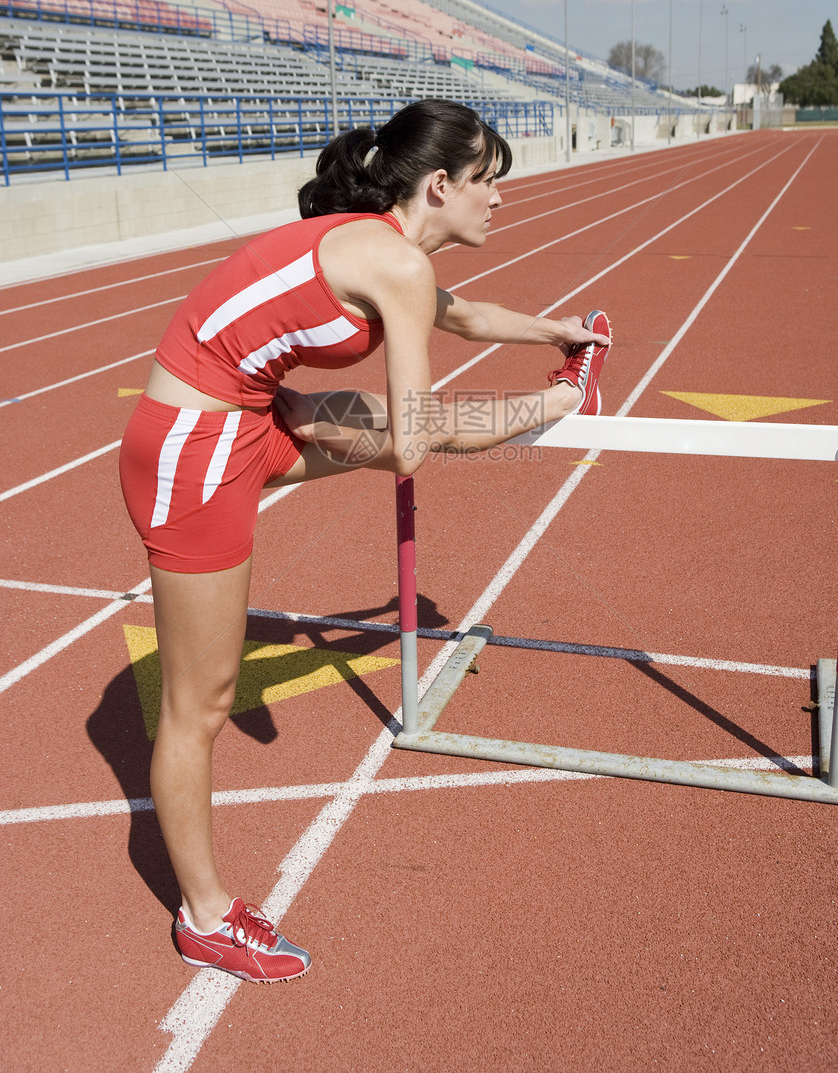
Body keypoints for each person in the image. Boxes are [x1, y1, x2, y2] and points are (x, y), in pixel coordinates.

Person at [119, 98, 611, 984]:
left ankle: (564, 390)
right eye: (488, 183)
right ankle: (204, 919)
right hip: (195, 455)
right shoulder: (394, 263)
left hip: (237, 420)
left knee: (369, 417)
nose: (499, 200)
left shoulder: (386, 242)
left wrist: (556, 331)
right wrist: (523, 407)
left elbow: (459, 316)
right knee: (203, 702)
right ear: (438, 185)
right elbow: (415, 441)